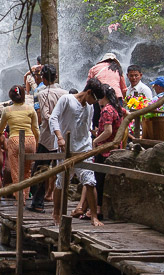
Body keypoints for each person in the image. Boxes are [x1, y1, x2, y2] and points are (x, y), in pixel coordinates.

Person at [49, 79, 104, 227]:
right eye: (95, 98)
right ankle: (56, 213)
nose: (95, 102)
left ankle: (93, 216)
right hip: (66, 147)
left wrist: (94, 135)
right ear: (88, 92)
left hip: (83, 148)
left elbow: (87, 126)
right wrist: (59, 137)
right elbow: (53, 118)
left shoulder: (90, 107)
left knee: (90, 181)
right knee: (61, 181)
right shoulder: (66, 99)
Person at [32, 64, 66, 210]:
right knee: (57, 168)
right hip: (62, 135)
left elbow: (45, 115)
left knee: (40, 169)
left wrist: (53, 120)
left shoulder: (42, 93)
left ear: (44, 78)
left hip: (47, 135)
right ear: (56, 77)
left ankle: (38, 202)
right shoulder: (64, 93)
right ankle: (56, 201)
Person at [91, 84, 126, 219]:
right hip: (116, 148)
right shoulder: (117, 108)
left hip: (104, 149)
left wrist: (95, 140)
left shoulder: (106, 110)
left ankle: (98, 209)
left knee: (98, 180)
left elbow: (108, 131)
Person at [0, 85, 40, 186]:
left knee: (16, 172)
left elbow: (1, 130)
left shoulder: (7, 110)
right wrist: (36, 143)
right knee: (27, 171)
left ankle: (19, 199)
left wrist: (0, 137)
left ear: (11, 97)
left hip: (15, 141)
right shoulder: (30, 109)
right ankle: (25, 196)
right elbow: (36, 130)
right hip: (30, 141)